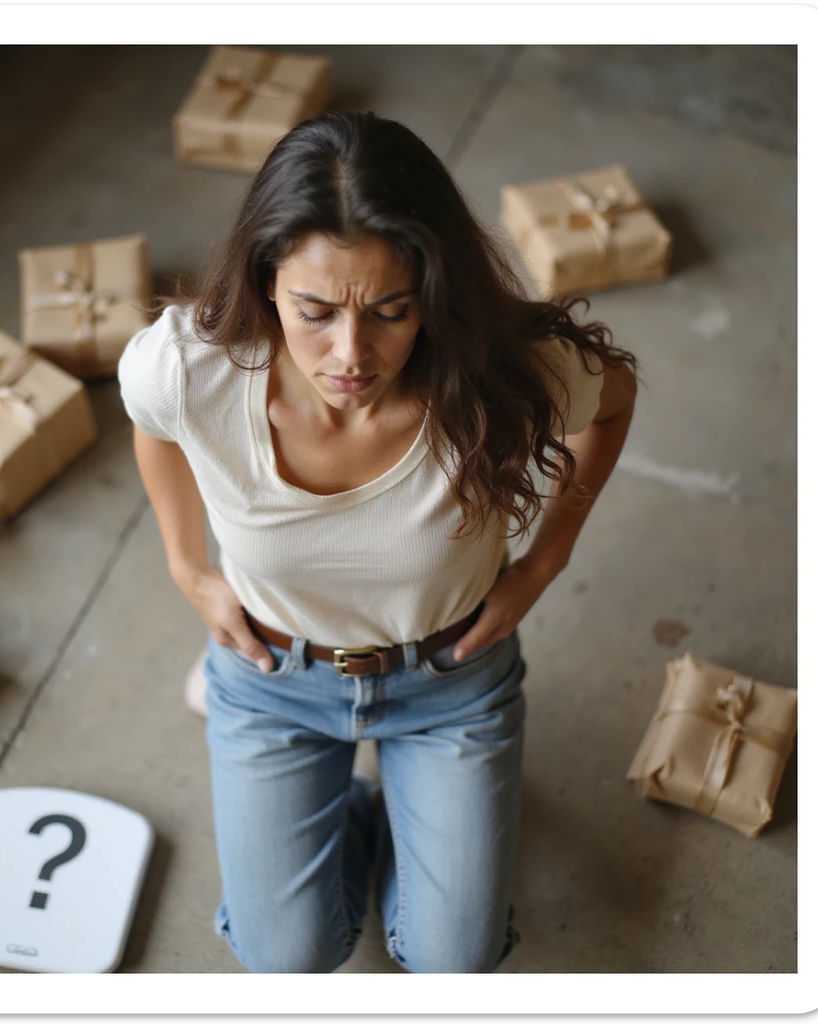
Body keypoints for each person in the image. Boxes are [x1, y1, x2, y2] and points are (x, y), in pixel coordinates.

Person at [118, 110, 638, 974]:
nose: (350, 354)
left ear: (433, 292)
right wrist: (188, 567)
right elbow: (152, 425)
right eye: (314, 312)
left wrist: (548, 560)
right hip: (274, 681)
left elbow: (612, 402)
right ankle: (371, 796)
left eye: (392, 312)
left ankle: (407, 787)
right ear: (266, 280)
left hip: (452, 684)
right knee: (285, 958)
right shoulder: (190, 367)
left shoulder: (504, 369)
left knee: (453, 963)